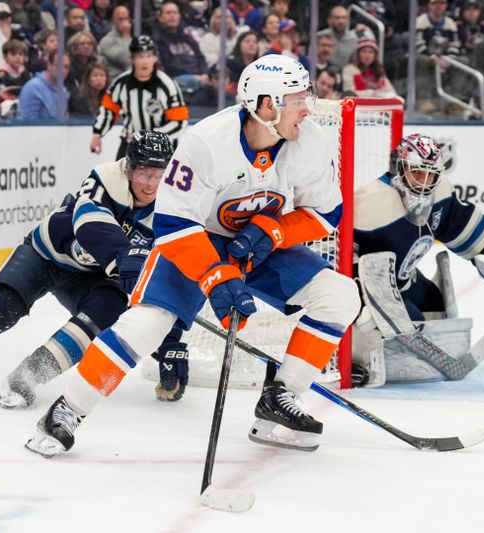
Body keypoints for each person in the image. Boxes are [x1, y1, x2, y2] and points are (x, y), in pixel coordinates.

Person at [25, 54, 361, 458]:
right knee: (148, 323)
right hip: (195, 240)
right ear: (267, 104)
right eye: (296, 99)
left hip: (260, 243)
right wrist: (215, 276)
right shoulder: (206, 143)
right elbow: (172, 222)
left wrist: (275, 229)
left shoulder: (310, 142)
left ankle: (280, 400)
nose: (307, 109)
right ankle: (67, 410)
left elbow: (326, 213)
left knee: (340, 295)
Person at [0, 130, 189, 407]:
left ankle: (27, 377)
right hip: (46, 255)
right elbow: (90, 225)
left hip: (96, 279)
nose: (151, 184)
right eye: (145, 174)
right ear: (130, 168)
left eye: (159, 175)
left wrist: (170, 341)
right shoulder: (106, 177)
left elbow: (169, 272)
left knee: (101, 318)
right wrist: (125, 257)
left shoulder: (170, 210)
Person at [349, 133, 484, 388]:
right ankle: (353, 351)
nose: (424, 183)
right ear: (398, 168)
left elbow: (459, 223)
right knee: (410, 322)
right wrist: (357, 299)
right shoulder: (367, 204)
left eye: (430, 174)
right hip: (377, 294)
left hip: (406, 279)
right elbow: (342, 256)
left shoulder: (439, 194)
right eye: (417, 173)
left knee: (435, 302)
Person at [90, 35, 188, 159]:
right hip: (131, 144)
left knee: (159, 178)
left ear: (155, 58)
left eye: (148, 56)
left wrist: (149, 136)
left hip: (161, 146)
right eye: (140, 56)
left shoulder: (167, 84)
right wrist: (97, 134)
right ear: (132, 59)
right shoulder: (121, 83)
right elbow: (108, 111)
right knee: (121, 177)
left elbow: (179, 122)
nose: (144, 61)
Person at [17, 49, 70, 119]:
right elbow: (27, 124)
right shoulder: (32, 88)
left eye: (66, 67)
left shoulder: (63, 91)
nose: (63, 70)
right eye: (58, 65)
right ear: (49, 65)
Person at [97, 3, 131, 82]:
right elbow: (122, 58)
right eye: (120, 19)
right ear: (113, 20)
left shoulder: (131, 40)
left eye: (126, 19)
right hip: (112, 83)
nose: (124, 22)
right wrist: (126, 36)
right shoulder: (106, 40)